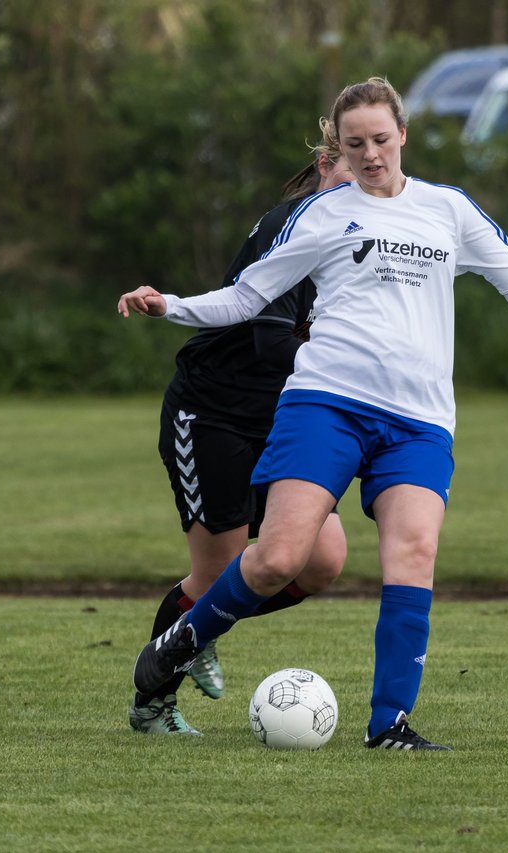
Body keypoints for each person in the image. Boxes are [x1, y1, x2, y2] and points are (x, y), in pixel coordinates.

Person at [118, 77, 508, 751]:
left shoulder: (448, 210)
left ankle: (389, 724)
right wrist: (171, 303)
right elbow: (247, 298)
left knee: (414, 552)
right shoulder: (321, 215)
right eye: (353, 143)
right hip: (326, 405)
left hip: (420, 420)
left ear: (403, 134)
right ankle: (185, 640)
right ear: (335, 149)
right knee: (279, 558)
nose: (369, 154)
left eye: (378, 139)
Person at [127, 127, 356, 736]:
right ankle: (153, 701)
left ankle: (202, 623)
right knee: (212, 576)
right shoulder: (295, 223)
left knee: (323, 561)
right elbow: (271, 339)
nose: (362, 184)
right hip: (212, 414)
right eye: (350, 168)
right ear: (328, 164)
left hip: (282, 421)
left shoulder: (362, 237)